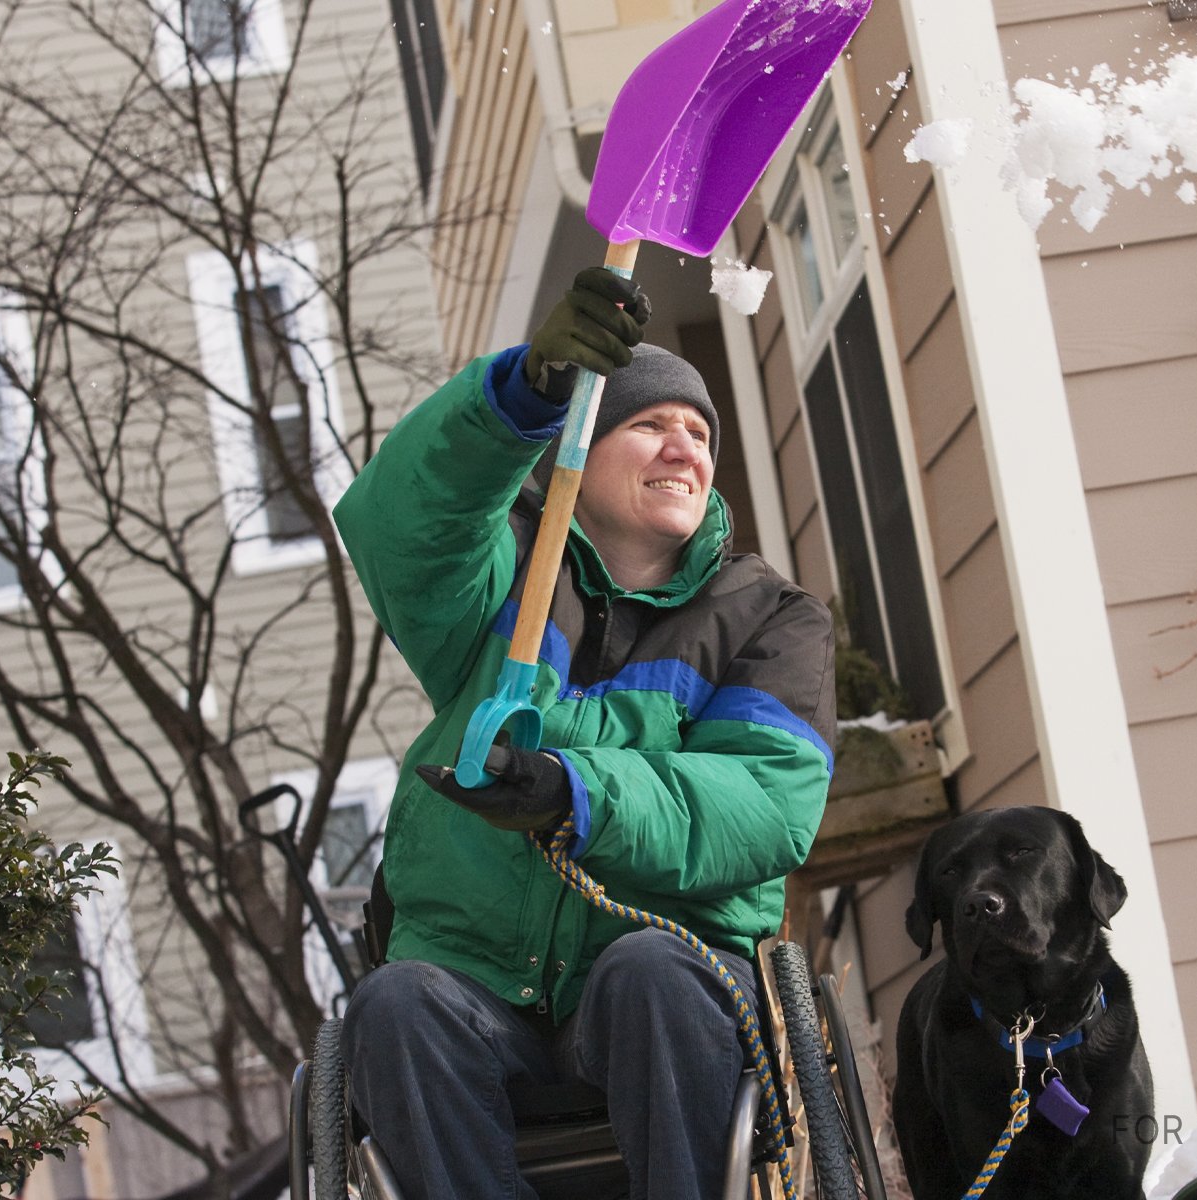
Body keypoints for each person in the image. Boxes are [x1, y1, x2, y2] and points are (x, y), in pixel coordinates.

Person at [331, 267, 837, 1200]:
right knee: (396, 1004)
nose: (683, 447)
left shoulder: (769, 618)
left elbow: (767, 804)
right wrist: (526, 390)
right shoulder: (498, 585)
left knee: (648, 973)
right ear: (579, 451)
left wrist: (578, 793)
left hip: (660, 973)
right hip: (476, 978)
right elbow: (401, 522)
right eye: (650, 424)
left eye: (699, 433)